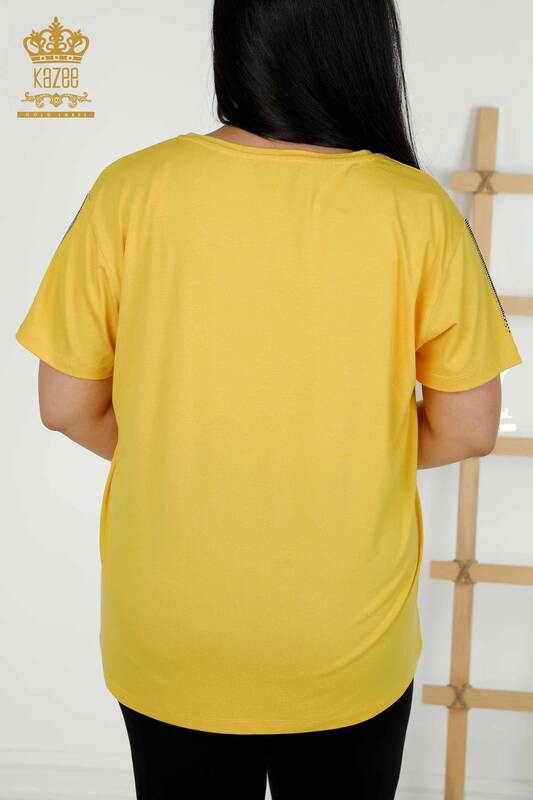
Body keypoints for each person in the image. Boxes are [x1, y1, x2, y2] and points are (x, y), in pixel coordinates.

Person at [15, 0, 523, 798]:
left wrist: (183, 451)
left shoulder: (131, 190)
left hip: (171, 630)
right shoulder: (415, 207)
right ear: (363, 44)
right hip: (347, 637)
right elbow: (467, 429)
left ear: (235, 40)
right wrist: (353, 453)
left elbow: (65, 406)